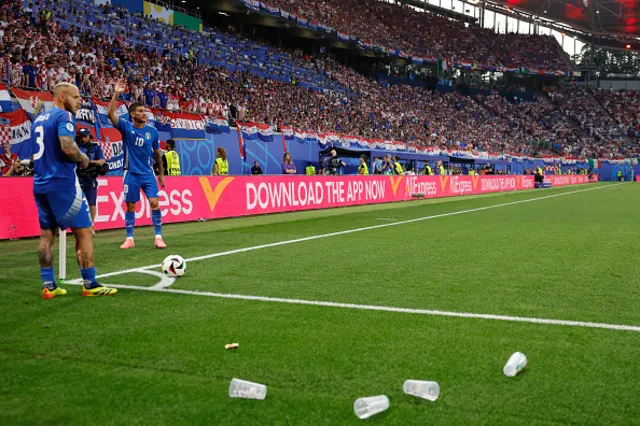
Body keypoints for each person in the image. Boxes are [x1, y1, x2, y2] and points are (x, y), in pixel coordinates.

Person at [31, 83, 116, 298]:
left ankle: (48, 286)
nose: (80, 101)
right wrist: (84, 157)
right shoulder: (64, 117)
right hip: (62, 183)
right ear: (62, 97)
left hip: (40, 184)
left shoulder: (38, 120)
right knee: (85, 231)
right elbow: (67, 146)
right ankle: (90, 283)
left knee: (46, 235)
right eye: (76, 97)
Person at [108, 79, 166, 250]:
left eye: (144, 111)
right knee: (131, 205)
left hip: (148, 174)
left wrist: (161, 174)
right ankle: (130, 239)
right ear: (132, 114)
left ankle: (158, 237)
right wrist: (116, 94)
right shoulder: (126, 127)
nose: (144, 113)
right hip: (131, 173)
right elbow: (111, 115)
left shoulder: (152, 131)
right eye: (140, 111)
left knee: (154, 203)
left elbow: (157, 153)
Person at [76, 128, 105, 232]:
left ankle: (91, 225)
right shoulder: (76, 148)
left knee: (91, 203)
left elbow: (102, 161)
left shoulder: (95, 148)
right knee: (78, 203)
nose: (82, 138)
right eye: (81, 136)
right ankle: (81, 227)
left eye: (84, 136)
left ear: (89, 137)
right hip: (78, 178)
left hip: (90, 178)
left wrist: (89, 161)